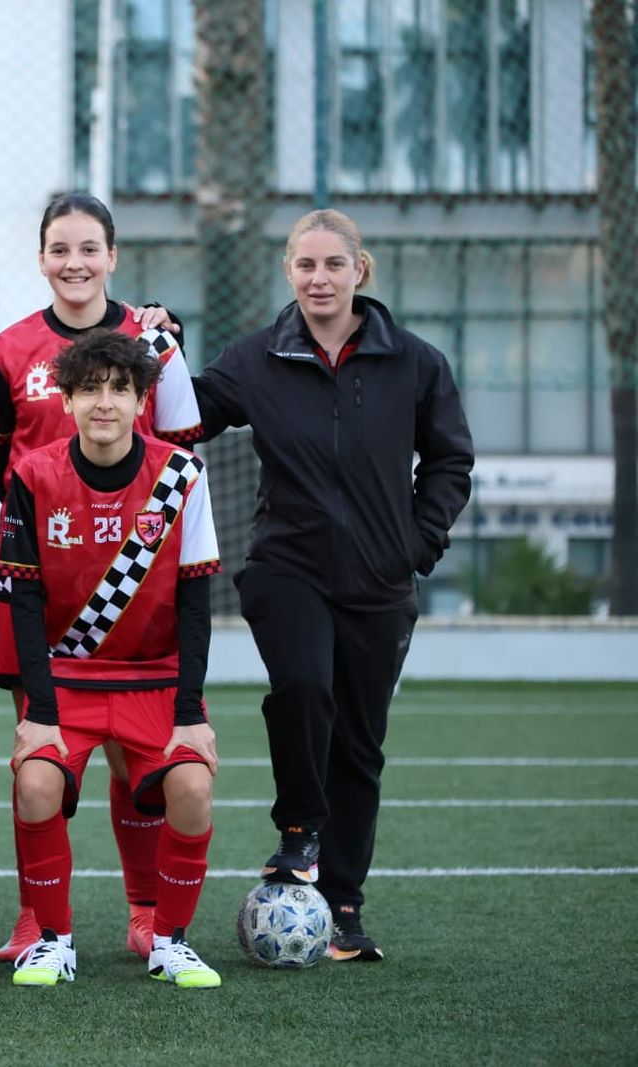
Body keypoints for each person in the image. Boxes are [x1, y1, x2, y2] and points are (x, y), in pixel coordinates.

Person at [193, 208, 473, 962]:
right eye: (306, 264)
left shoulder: (415, 362)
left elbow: (450, 461)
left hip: (381, 580)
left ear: (360, 270)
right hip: (286, 567)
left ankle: (343, 906)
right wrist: (154, 343)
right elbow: (185, 416)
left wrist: (417, 542)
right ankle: (298, 830)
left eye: (333, 264)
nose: (319, 278)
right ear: (288, 270)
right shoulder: (257, 359)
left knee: (359, 743)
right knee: (305, 685)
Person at [0, 192, 200, 964]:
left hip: (137, 579)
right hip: (42, 576)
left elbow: (181, 446)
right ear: (41, 258)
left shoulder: (155, 339)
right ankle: (36, 918)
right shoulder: (6, 350)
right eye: (60, 249)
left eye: (89, 248)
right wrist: (49, 534)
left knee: (139, 760)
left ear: (113, 256)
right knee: (38, 745)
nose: (75, 263)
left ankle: (146, 912)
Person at [0, 329, 222, 989]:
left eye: (120, 389)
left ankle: (170, 941)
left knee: (193, 788)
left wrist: (190, 714)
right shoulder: (32, 474)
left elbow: (196, 601)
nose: (105, 402)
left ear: (142, 401)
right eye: (90, 389)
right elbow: (25, 603)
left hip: (156, 678)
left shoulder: (182, 475)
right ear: (66, 400)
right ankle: (53, 939)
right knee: (35, 784)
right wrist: (39, 712)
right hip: (68, 679)